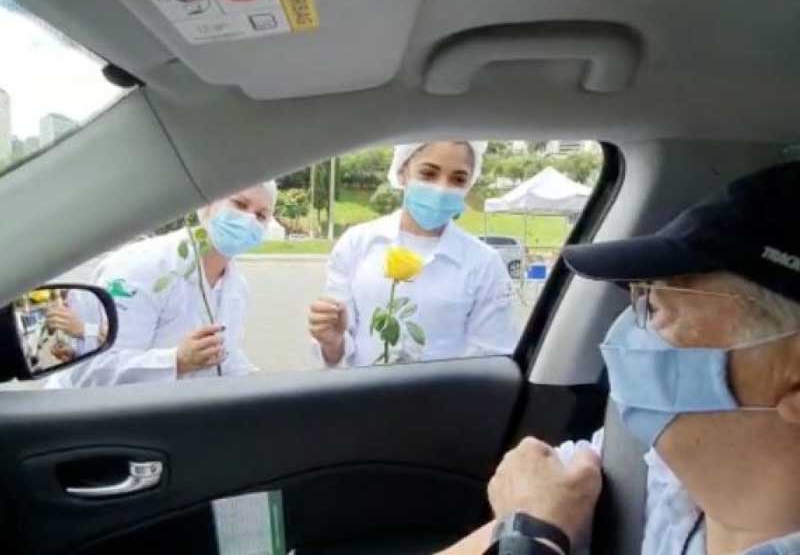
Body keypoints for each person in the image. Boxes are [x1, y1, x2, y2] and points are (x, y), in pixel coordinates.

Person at [441, 162, 800, 554]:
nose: (623, 332)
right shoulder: (636, 466)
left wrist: (529, 539)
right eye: (640, 296)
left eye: (660, 307)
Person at [47, 181, 277, 387]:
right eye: (239, 204)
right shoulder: (143, 266)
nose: (249, 220)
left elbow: (227, 361)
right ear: (207, 204)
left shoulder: (236, 287)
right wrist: (176, 361)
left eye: (261, 216)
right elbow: (92, 371)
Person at [308, 141, 518, 367]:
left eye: (458, 179)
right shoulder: (357, 243)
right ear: (401, 172)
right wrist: (331, 341)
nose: (441, 189)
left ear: (469, 185)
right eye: (428, 174)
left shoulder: (483, 262)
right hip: (365, 396)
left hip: (444, 399)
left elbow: (492, 357)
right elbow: (337, 350)